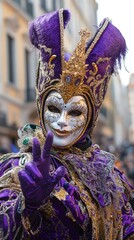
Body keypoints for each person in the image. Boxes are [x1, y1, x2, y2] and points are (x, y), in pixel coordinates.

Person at [0, 8, 134, 240]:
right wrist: (27, 206)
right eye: (53, 108)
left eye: (75, 112)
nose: (62, 122)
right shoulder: (18, 167)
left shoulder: (110, 175)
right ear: (41, 108)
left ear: (90, 117)